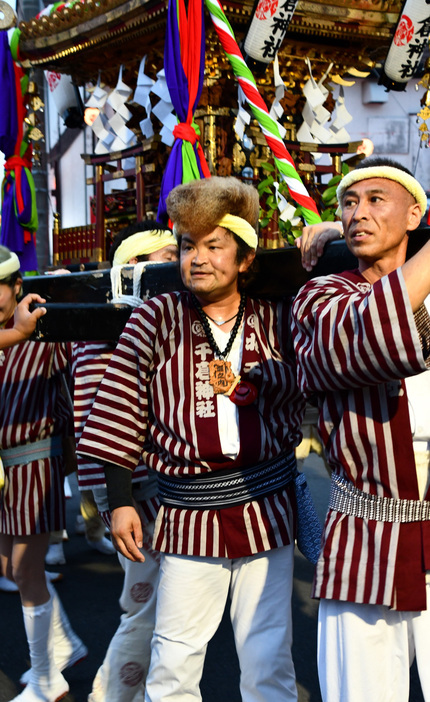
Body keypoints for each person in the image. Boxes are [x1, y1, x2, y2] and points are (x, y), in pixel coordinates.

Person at [77, 176, 306, 702]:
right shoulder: (156, 317)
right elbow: (120, 403)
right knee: (174, 659)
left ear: (246, 258)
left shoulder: (277, 317)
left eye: (213, 245)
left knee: (268, 655)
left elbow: (318, 376)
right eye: (187, 245)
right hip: (187, 514)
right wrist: (119, 501)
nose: (197, 258)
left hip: (265, 507)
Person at [291, 156, 430, 702]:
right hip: (367, 529)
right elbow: (367, 334)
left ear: (415, 214)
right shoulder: (319, 298)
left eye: (377, 200)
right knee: (363, 693)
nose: (358, 213)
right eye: (348, 203)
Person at [73, 220, 178, 702]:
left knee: (161, 609)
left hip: (137, 485)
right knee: (147, 608)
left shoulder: (120, 319)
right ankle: (112, 696)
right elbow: (107, 419)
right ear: (132, 269)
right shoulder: (112, 325)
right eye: (166, 258)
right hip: (135, 488)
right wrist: (118, 498)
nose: (179, 265)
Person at [0, 245, 87, 702]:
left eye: (0, 286)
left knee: (25, 570)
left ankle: (46, 680)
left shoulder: (44, 328)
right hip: (2, 467)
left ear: (18, 286)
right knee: (8, 569)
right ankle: (63, 645)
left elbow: (74, 376)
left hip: (35, 457)